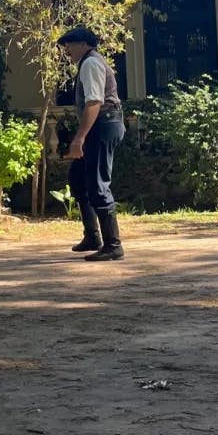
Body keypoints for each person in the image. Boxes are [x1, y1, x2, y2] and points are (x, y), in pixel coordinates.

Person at [57, 27, 126, 262]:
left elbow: (95, 103)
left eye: (70, 44)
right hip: (102, 124)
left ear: (85, 44)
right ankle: (92, 236)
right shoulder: (88, 63)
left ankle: (113, 245)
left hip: (104, 125)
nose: (67, 49)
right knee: (78, 180)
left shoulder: (90, 64)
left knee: (97, 183)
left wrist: (79, 138)